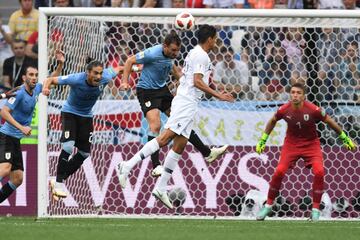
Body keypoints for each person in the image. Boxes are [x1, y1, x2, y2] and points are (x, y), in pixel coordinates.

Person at [118, 24, 234, 209]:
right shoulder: (200, 55)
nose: (216, 42)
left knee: (180, 144)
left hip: (181, 98)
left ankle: (161, 187)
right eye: (215, 39)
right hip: (182, 101)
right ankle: (127, 166)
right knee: (163, 137)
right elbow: (197, 81)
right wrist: (219, 94)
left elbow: (183, 75)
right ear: (210, 39)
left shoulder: (194, 53)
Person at [255, 82, 357, 221]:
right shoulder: (284, 109)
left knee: (319, 172)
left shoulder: (313, 109)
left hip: (311, 145)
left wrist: (345, 138)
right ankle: (268, 206)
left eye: (298, 93)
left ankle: (315, 210)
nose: (295, 95)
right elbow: (273, 120)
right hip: (291, 145)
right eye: (293, 92)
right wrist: (263, 140)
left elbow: (330, 121)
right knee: (279, 171)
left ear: (304, 96)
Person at [42, 61, 124, 200]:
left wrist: (136, 68)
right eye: (95, 73)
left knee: (85, 153)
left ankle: (57, 179)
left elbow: (121, 68)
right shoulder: (76, 79)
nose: (98, 76)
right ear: (88, 73)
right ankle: (59, 184)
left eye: (100, 73)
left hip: (86, 116)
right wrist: (45, 88)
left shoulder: (106, 76)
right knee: (68, 146)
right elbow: (50, 80)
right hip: (70, 113)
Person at [0, 66, 41, 204]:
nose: (34, 77)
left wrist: (59, 64)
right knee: (5, 169)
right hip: (6, 136)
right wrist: (21, 127)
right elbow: (4, 112)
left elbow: (52, 79)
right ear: (24, 77)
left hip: (16, 140)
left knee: (17, 179)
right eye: (31, 74)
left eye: (36, 75)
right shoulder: (19, 93)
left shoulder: (37, 89)